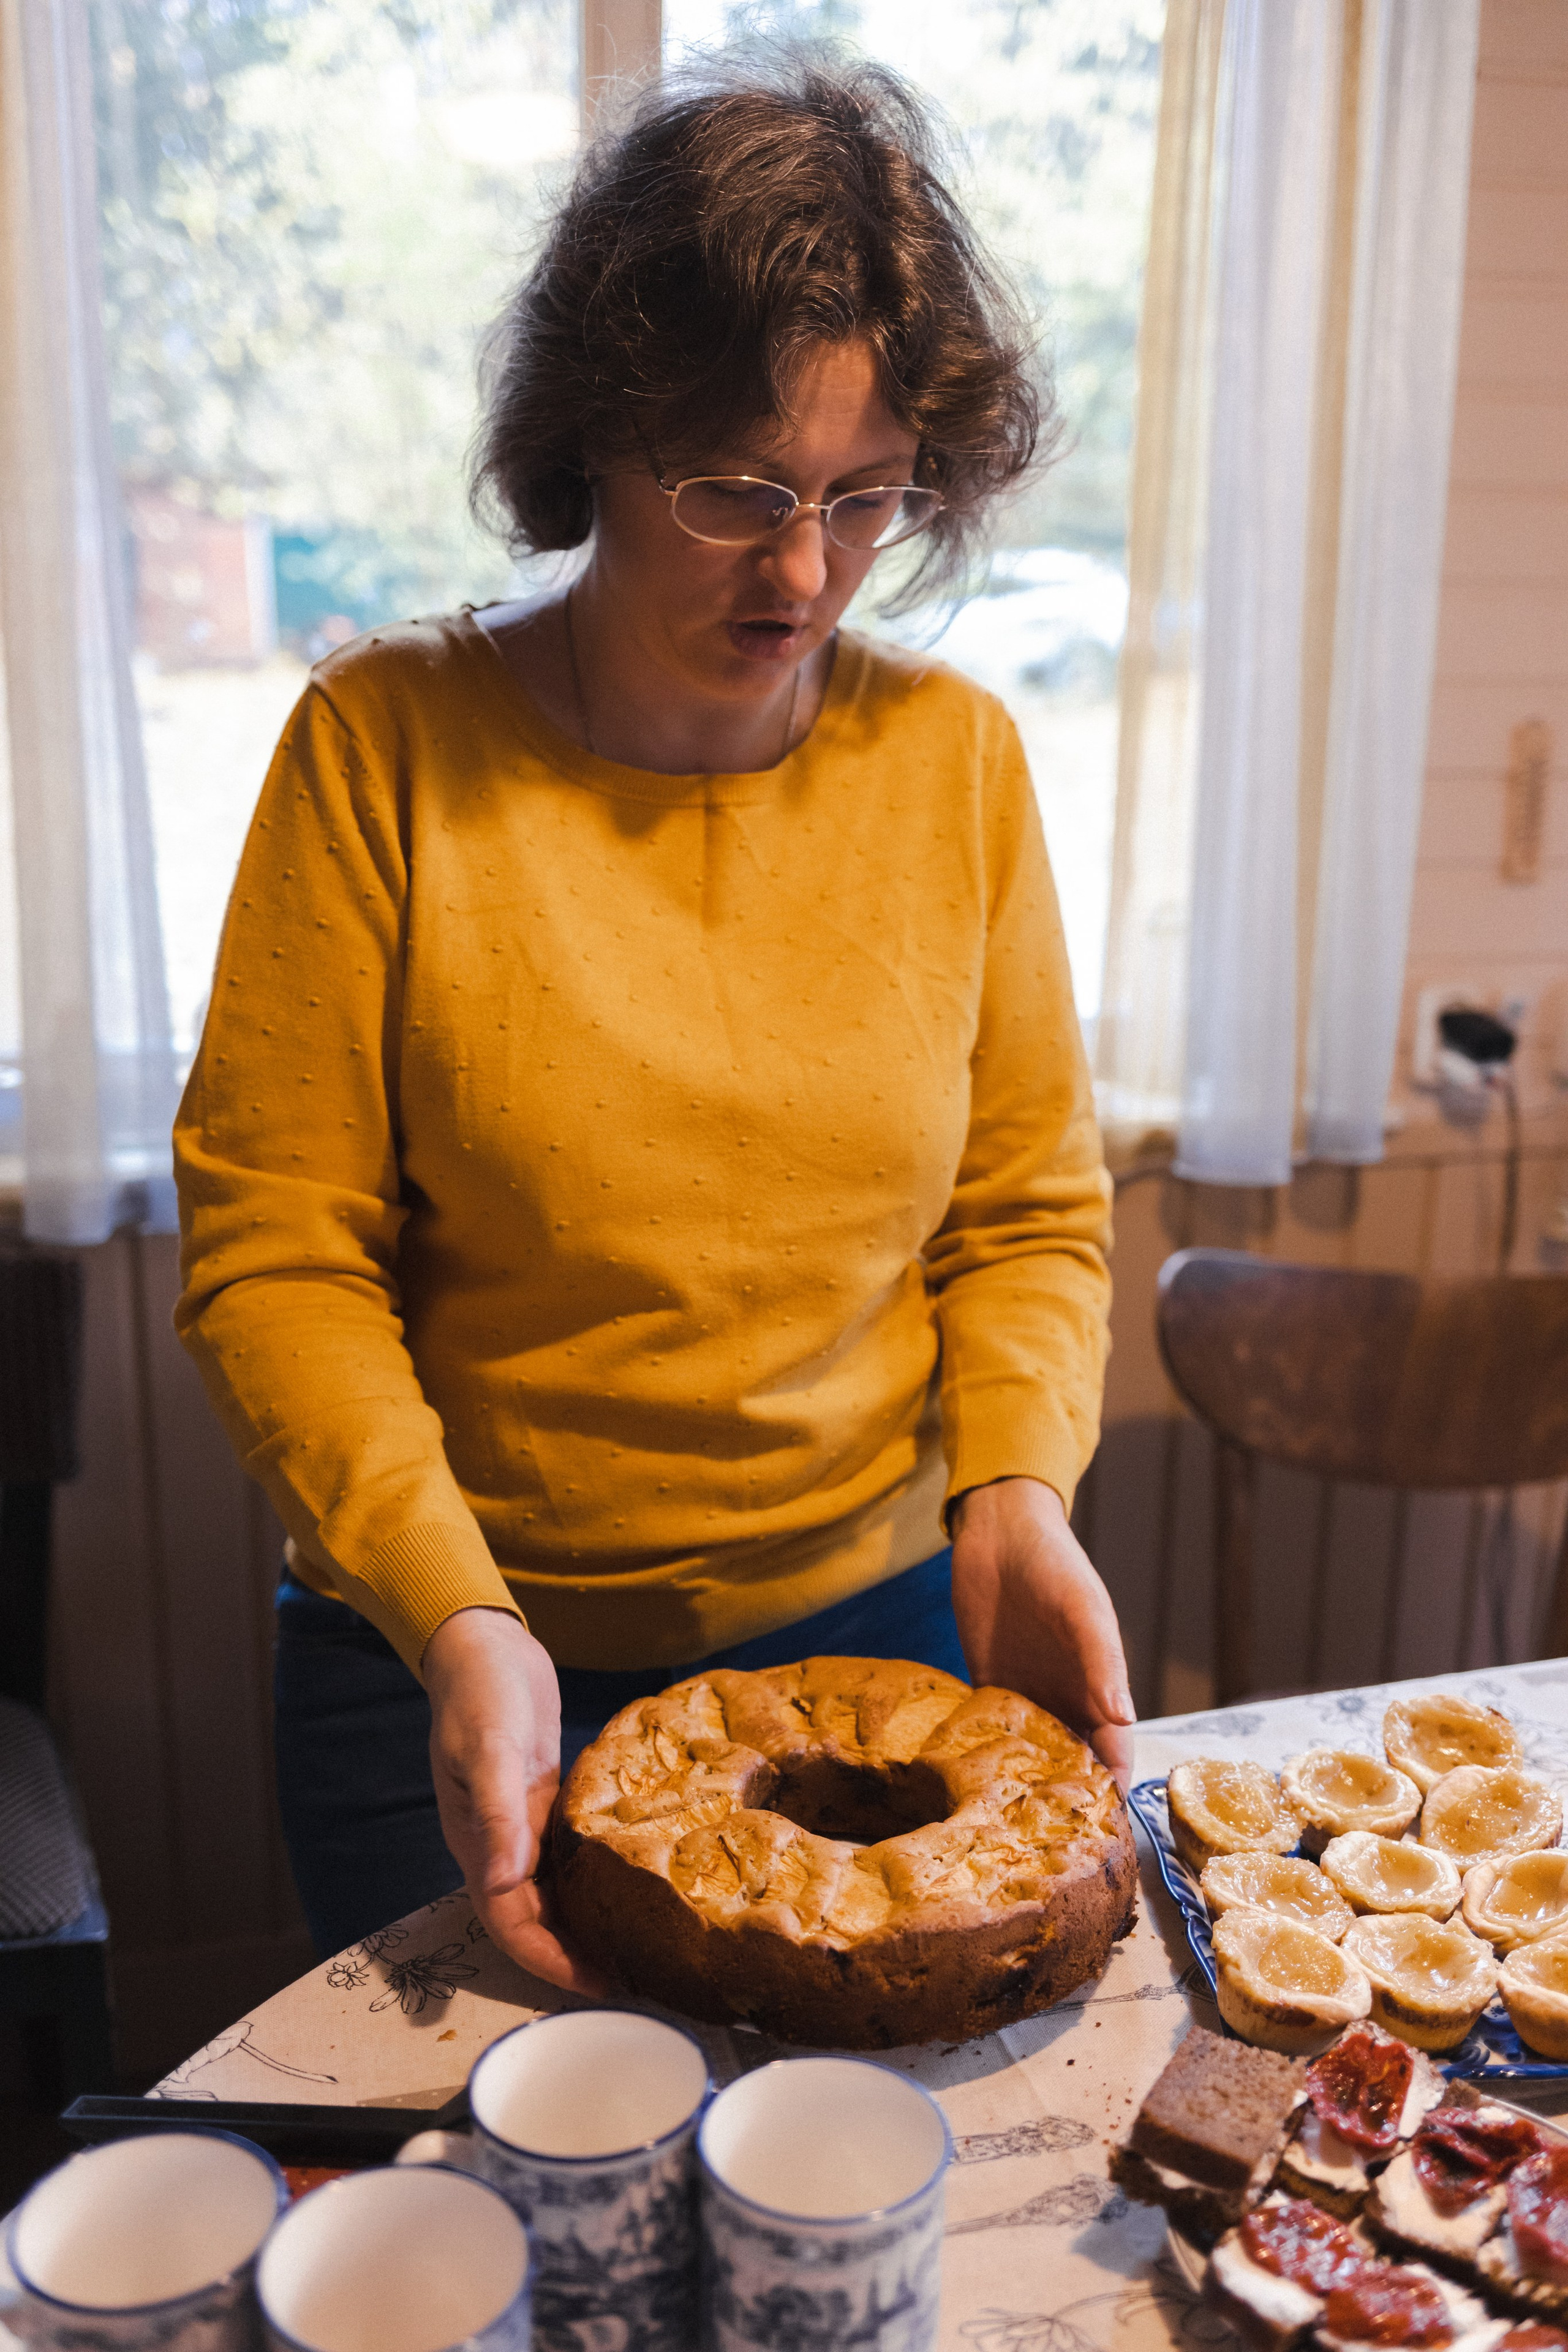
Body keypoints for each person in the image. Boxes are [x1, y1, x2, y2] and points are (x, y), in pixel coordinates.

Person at [173, 47, 1134, 1989]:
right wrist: (457, 1615)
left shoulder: (955, 766)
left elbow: (1026, 1211)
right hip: (453, 1660)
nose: (805, 571)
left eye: (869, 499)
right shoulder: (383, 750)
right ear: (594, 437)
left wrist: (1017, 1489)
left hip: (876, 1650)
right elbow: (279, 1254)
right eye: (737, 490)